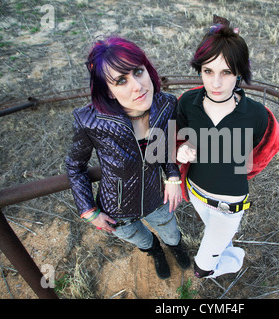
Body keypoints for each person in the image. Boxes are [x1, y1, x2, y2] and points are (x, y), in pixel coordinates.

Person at [65, 36, 190, 280]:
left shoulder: (166, 105)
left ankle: (176, 248)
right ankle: (155, 252)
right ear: (108, 91)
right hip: (117, 209)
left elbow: (166, 147)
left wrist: (173, 176)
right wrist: (88, 210)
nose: (138, 85)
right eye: (121, 80)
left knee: (171, 232)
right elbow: (75, 166)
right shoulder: (89, 121)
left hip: (158, 196)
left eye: (138, 72)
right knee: (141, 239)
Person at [176, 18, 279, 279]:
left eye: (225, 72)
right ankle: (224, 246)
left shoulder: (256, 115)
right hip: (195, 193)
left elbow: (269, 146)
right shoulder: (188, 101)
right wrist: (182, 150)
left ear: (239, 73)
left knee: (202, 269)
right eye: (208, 71)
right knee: (217, 240)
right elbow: (177, 137)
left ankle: (234, 260)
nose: (215, 83)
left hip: (228, 206)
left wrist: (243, 169)